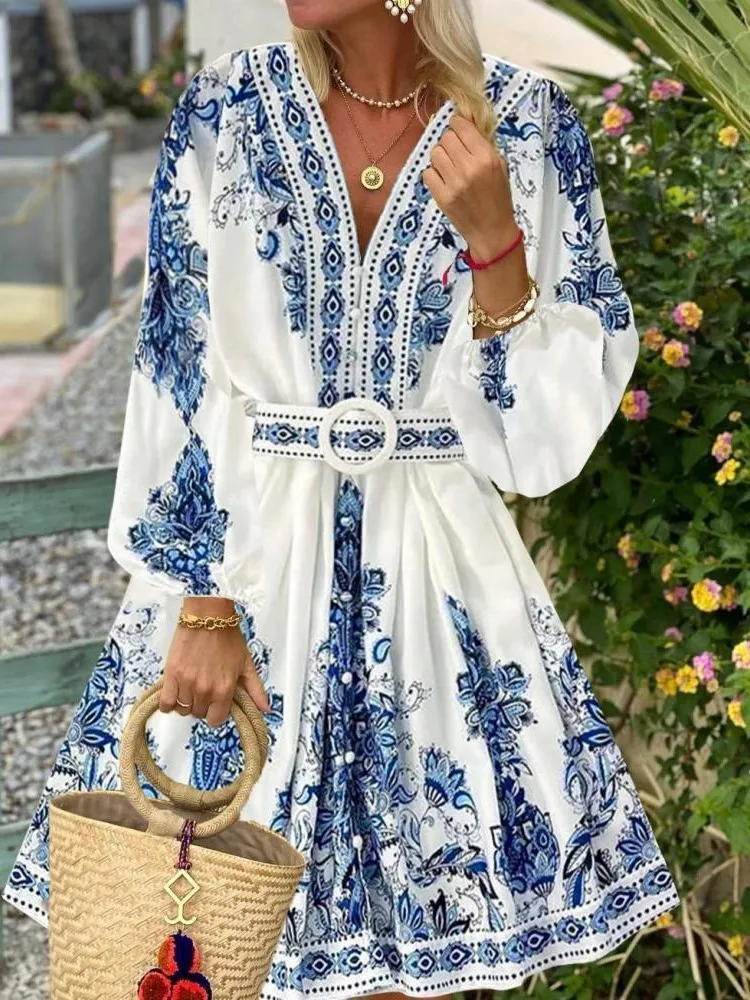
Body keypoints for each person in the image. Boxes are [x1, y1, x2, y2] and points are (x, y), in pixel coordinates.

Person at [4, 0, 679, 995]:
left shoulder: (529, 128)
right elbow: (181, 368)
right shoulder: (226, 109)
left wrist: (496, 243)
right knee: (214, 944)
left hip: (435, 598)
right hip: (247, 583)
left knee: (415, 965)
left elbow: (541, 441)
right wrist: (203, 601)